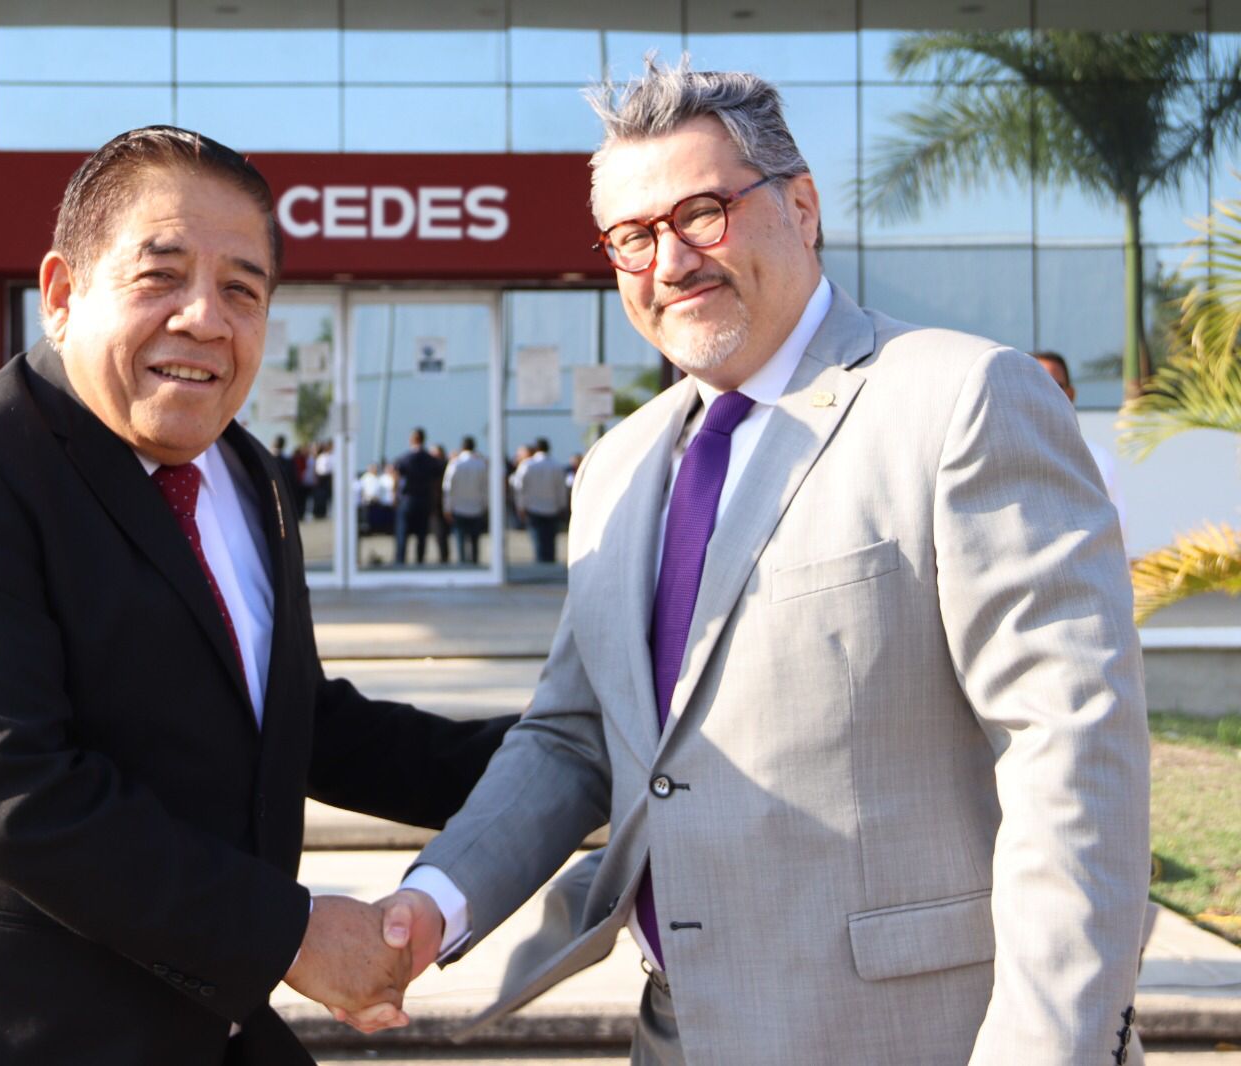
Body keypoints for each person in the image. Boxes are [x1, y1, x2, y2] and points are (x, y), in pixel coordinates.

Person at [366, 62, 1150, 1066]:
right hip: (678, 1037)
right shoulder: (616, 467)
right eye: (632, 237)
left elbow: (1070, 750)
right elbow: (573, 736)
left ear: (802, 207)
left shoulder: (961, 400)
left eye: (702, 214)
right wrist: (432, 903)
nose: (670, 261)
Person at [0, 125, 512, 1066]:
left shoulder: (247, 476)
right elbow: (9, 787)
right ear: (62, 294)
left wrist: (567, 760)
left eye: (243, 291)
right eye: (161, 275)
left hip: (196, 1023)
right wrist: (291, 934)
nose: (205, 318)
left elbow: (294, 724)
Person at [1034, 350, 1130, 548]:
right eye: (1038, 384)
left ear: (1070, 394)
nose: (1048, 392)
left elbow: (1118, 533)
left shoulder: (1097, 459)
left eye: (1056, 386)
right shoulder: (1000, 458)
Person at [511, 437, 569, 563]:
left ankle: (541, 564)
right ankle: (550, 564)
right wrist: (562, 506)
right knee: (550, 541)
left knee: (538, 541)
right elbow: (561, 489)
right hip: (552, 508)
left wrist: (520, 506)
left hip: (533, 508)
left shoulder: (527, 465)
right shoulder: (556, 466)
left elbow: (519, 487)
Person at [392, 427, 443, 565]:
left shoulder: (404, 459)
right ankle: (419, 562)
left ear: (412, 439)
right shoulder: (430, 460)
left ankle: (400, 562)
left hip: (407, 500)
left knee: (402, 534)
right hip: (425, 500)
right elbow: (437, 481)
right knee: (422, 535)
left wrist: (395, 496)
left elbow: (396, 477)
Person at [443, 435, 489, 564]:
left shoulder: (455, 463)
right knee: (475, 542)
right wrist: (485, 505)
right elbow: (485, 488)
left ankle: (462, 565)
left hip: (458, 508)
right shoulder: (481, 464)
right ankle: (474, 564)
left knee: (460, 541)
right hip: (476, 508)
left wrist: (447, 507)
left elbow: (448, 488)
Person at [428, 443, 453, 563]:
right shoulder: (434, 468)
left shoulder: (445, 467)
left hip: (441, 505)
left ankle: (444, 557)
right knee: (440, 534)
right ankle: (444, 556)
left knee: (441, 533)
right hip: (436, 506)